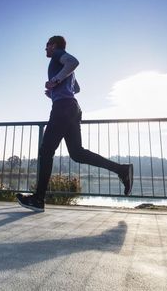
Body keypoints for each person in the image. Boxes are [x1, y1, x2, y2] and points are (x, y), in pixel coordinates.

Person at [16, 35, 133, 212]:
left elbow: (74, 62)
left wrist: (54, 81)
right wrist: (55, 90)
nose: (45, 49)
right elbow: (76, 89)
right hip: (72, 108)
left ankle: (38, 199)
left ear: (54, 45)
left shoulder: (59, 55)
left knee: (46, 151)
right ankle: (122, 170)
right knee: (77, 154)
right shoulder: (63, 66)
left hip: (63, 108)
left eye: (47, 46)